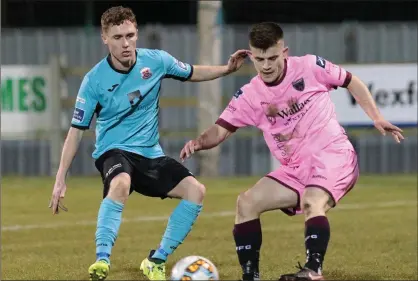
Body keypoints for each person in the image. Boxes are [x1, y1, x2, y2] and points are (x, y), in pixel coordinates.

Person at [180, 22, 404, 281]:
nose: (266, 65)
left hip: (333, 155)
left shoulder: (309, 67)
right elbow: (221, 129)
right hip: (295, 169)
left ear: (284, 52)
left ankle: (313, 270)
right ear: (251, 56)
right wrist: (198, 142)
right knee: (247, 203)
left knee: (312, 200)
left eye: (273, 57)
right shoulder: (250, 94)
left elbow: (351, 81)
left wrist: (376, 117)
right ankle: (250, 276)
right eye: (260, 59)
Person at [48, 6, 248, 281]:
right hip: (113, 152)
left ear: (137, 33)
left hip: (150, 155)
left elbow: (192, 72)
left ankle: (156, 260)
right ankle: (102, 261)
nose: (126, 43)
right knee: (120, 184)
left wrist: (227, 69)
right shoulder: (93, 81)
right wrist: (61, 177)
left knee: (196, 191)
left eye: (130, 35)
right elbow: (75, 131)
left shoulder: (156, 61)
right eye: (118, 37)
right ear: (104, 38)